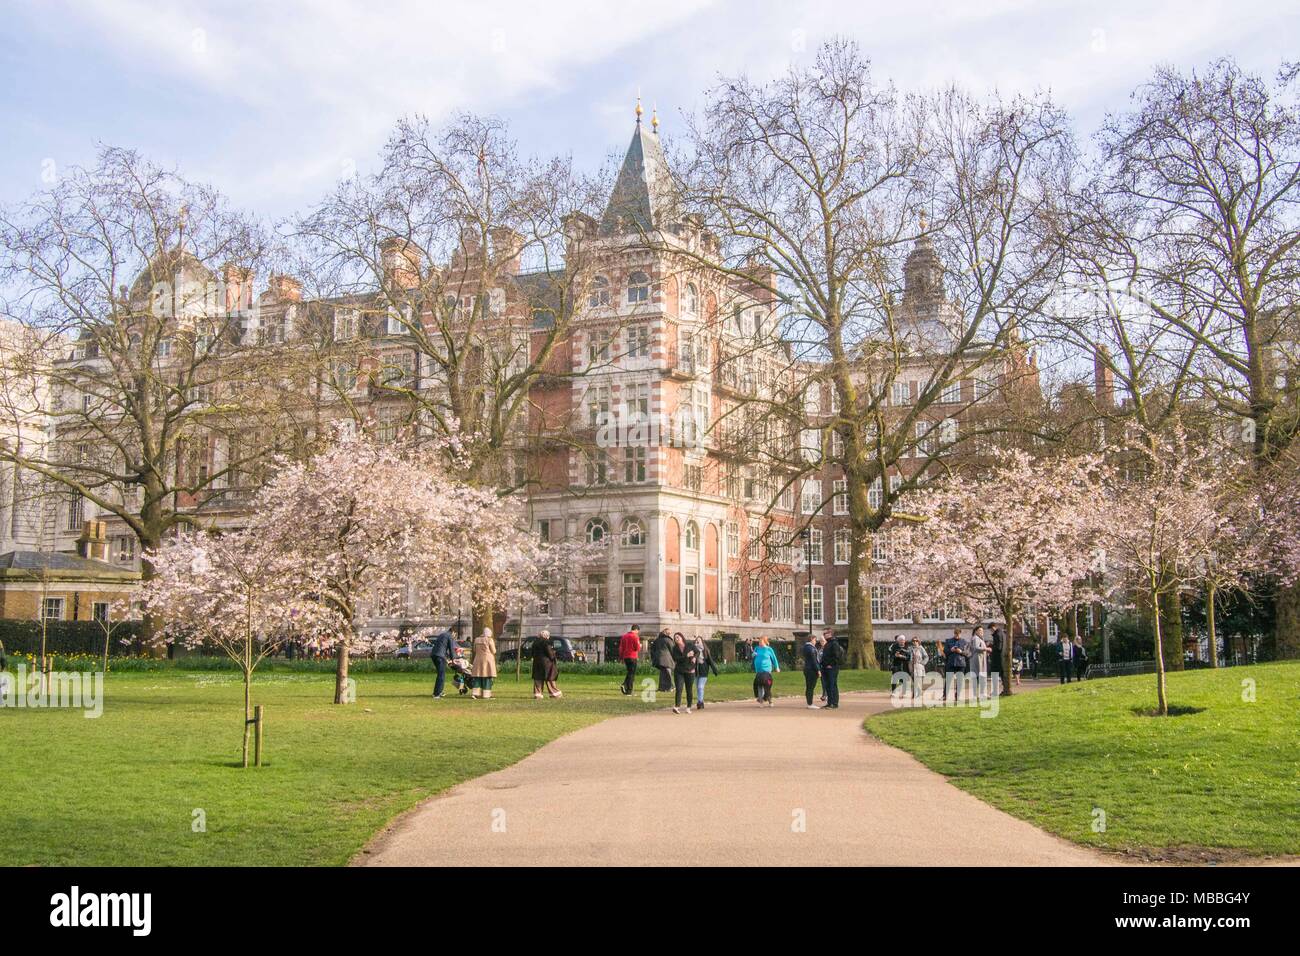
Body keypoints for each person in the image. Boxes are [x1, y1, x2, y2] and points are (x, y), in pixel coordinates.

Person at [531, 629, 562, 699]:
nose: (549, 637)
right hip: (546, 663)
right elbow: (550, 653)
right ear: (546, 636)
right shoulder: (547, 642)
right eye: (548, 636)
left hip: (537, 662)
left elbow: (532, 653)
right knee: (549, 678)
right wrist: (554, 655)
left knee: (537, 678)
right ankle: (554, 693)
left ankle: (538, 694)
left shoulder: (535, 642)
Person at [670, 633, 696, 714]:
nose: (676, 638)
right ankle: (677, 706)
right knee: (679, 689)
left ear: (681, 637)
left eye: (678, 637)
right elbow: (676, 659)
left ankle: (688, 707)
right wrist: (686, 656)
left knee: (689, 690)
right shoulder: (675, 648)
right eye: (675, 638)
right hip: (679, 671)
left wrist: (695, 657)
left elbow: (697, 652)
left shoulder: (689, 645)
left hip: (690, 670)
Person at [942, 627, 969, 702]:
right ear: (954, 633)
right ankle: (945, 695)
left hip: (961, 664)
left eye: (958, 633)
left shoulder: (964, 642)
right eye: (955, 633)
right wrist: (951, 650)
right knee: (948, 680)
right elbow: (945, 651)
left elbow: (967, 653)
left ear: (960, 633)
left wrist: (961, 652)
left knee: (959, 681)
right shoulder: (948, 641)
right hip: (951, 662)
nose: (957, 635)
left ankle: (957, 696)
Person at [752, 635, 780, 706]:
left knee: (767, 685)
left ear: (764, 641)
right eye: (759, 641)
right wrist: (753, 655)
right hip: (758, 670)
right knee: (759, 684)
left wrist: (777, 667)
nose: (759, 643)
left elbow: (774, 658)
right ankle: (761, 700)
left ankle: (770, 700)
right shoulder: (757, 648)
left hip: (767, 669)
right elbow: (752, 656)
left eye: (761, 641)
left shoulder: (769, 649)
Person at [430, 628, 457, 699]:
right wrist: (453, 659)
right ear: (453, 632)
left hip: (434, 655)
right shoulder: (449, 636)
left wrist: (448, 658)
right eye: (455, 634)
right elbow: (451, 649)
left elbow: (442, 647)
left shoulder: (442, 635)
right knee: (441, 675)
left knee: (440, 674)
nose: (454, 636)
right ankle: (436, 694)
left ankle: (438, 691)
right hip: (440, 656)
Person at [692, 635, 719, 709]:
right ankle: (701, 701)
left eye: (699, 640)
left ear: (702, 641)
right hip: (696, 672)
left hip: (703, 672)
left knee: (700, 687)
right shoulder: (693, 650)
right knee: (698, 688)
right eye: (696, 641)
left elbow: (710, 661)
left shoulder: (705, 651)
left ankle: (700, 702)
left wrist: (715, 670)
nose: (697, 642)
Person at [471, 626, 497, 699]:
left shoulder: (476, 639)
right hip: (487, 660)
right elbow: (494, 651)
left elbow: (474, 649)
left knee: (477, 676)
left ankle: (475, 693)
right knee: (487, 677)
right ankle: (486, 694)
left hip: (478, 659)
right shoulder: (489, 640)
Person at [820, 632, 844, 709]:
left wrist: (832, 664)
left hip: (832, 668)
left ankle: (834, 703)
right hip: (825, 668)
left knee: (832, 685)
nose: (825, 635)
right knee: (827, 686)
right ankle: (829, 703)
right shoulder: (827, 644)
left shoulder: (834, 643)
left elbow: (836, 656)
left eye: (826, 634)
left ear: (830, 635)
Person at [618, 624, 641, 696]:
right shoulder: (635, 636)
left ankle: (625, 685)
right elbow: (637, 648)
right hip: (633, 656)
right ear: (636, 630)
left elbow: (621, 648)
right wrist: (640, 646)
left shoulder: (624, 636)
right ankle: (629, 690)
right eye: (638, 631)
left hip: (625, 657)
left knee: (629, 672)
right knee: (632, 674)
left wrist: (621, 658)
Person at [801, 632, 822, 709]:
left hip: (807, 669)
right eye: (815, 640)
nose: (815, 641)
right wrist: (818, 670)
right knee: (811, 687)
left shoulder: (805, 647)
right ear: (811, 639)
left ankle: (809, 702)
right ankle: (810, 703)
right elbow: (814, 660)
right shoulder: (811, 648)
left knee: (809, 686)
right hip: (812, 670)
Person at [652, 629, 674, 693]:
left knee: (662, 674)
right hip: (667, 659)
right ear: (667, 633)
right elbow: (673, 649)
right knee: (668, 673)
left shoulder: (657, 640)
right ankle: (670, 687)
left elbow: (652, 649)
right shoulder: (668, 640)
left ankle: (662, 687)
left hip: (659, 659)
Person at [908, 636, 928, 701]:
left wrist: (922, 663)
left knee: (918, 681)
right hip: (912, 666)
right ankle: (915, 694)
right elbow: (908, 657)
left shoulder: (921, 648)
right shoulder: (910, 648)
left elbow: (926, 657)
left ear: (918, 641)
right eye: (913, 641)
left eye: (916, 641)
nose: (914, 642)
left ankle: (916, 694)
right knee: (914, 681)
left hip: (919, 667)